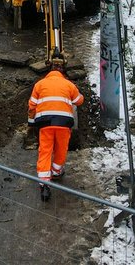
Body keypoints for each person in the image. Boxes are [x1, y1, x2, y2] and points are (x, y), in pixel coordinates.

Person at [27, 55, 84, 202]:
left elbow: (32, 105)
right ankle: (57, 171)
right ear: (62, 70)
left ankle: (45, 184)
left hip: (45, 123)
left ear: (49, 69)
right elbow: (79, 101)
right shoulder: (68, 85)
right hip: (63, 123)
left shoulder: (39, 84)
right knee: (61, 148)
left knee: (45, 151)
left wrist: (31, 123)